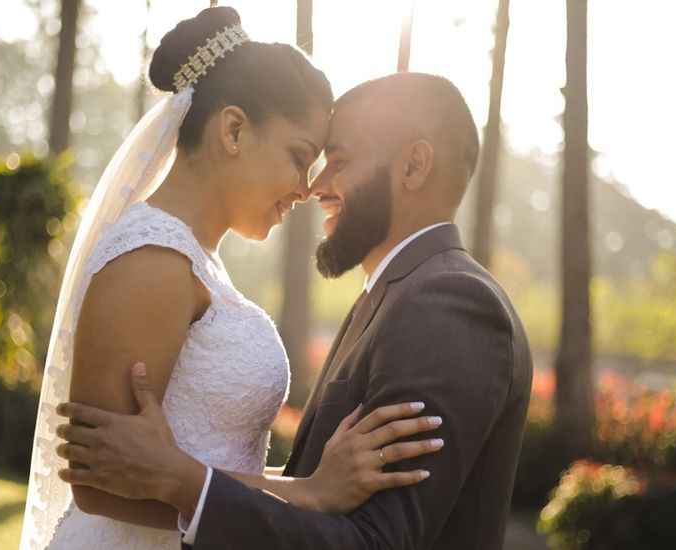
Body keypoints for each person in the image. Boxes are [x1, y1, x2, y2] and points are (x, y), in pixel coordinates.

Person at [20, 7, 442, 550]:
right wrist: (308, 493)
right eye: (299, 157)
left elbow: (182, 466)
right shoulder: (150, 260)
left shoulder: (197, 260)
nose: (305, 189)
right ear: (235, 130)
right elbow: (99, 483)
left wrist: (295, 490)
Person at [56, 72, 534, 549]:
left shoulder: (448, 305)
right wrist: (301, 488)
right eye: (307, 160)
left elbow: (375, 540)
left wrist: (179, 478)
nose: (315, 187)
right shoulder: (396, 295)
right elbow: (321, 492)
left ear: (413, 167)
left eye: (338, 161)